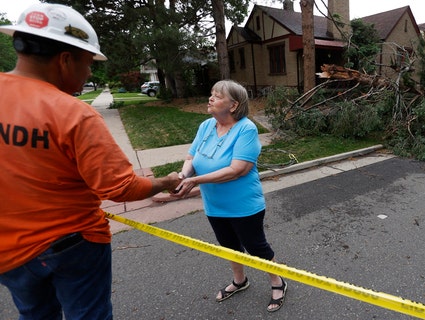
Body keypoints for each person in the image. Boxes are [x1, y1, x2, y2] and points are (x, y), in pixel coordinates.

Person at [0, 3, 181, 319]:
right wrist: (165, 182)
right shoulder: (72, 113)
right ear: (65, 59)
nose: (89, 73)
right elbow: (121, 188)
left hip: (9, 252)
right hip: (72, 246)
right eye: (87, 64)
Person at [172, 80, 287, 312]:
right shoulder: (206, 126)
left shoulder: (246, 129)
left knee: (256, 247)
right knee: (228, 246)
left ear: (233, 105)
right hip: (214, 204)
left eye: (217, 96)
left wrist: (194, 181)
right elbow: (191, 158)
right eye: (211, 94)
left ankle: (278, 281)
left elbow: (237, 170)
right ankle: (240, 281)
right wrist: (182, 176)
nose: (210, 98)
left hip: (244, 204)